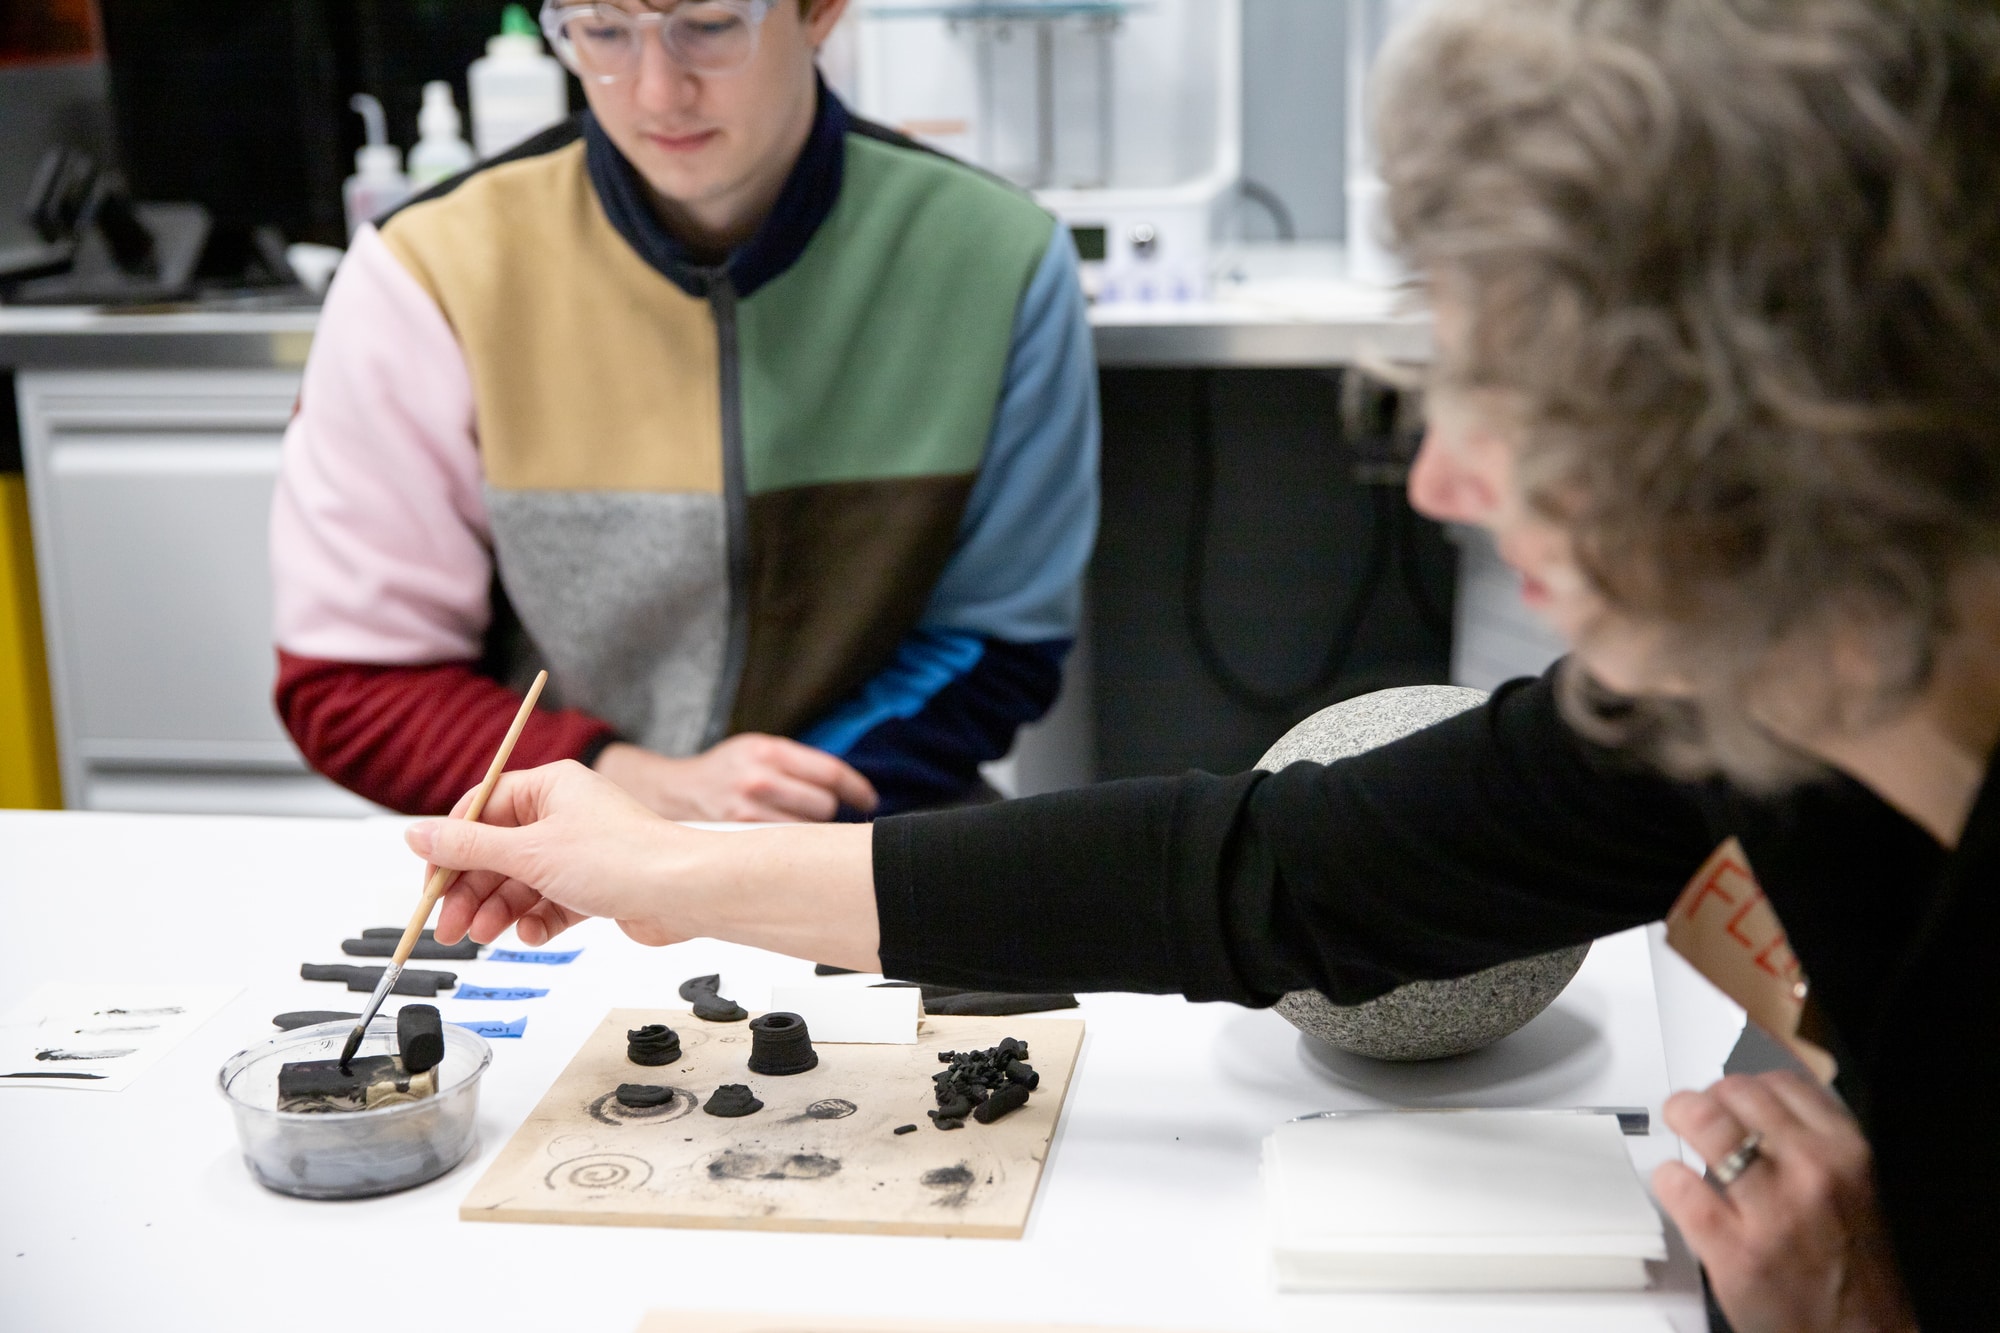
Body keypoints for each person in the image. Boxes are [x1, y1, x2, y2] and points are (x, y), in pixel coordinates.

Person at [401, 0, 2000, 1327]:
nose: (1439, 480)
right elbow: (1261, 866)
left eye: (1522, 391)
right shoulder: (1725, 702)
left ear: (1790, 416)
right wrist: (670, 870)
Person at [269, 0, 1098, 821]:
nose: (659, 92)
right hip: (555, 867)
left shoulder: (999, 259)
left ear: (820, 13)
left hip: (865, 837)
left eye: (708, 25)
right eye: (603, 32)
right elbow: (353, 684)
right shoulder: (426, 270)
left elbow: (1000, 643)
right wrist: (628, 785)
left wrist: (770, 809)